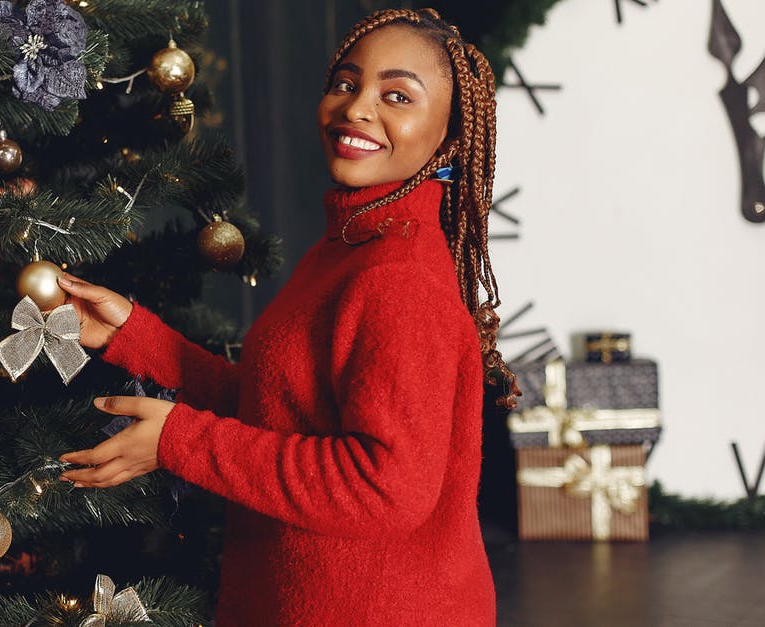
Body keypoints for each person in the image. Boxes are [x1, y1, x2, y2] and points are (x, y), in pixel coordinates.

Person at [57, 8, 516, 625]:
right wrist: (137, 338)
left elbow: (386, 489)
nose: (356, 107)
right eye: (346, 83)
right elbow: (281, 406)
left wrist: (179, 441)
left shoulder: (397, 278)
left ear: (448, 136)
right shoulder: (353, 245)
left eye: (397, 95)